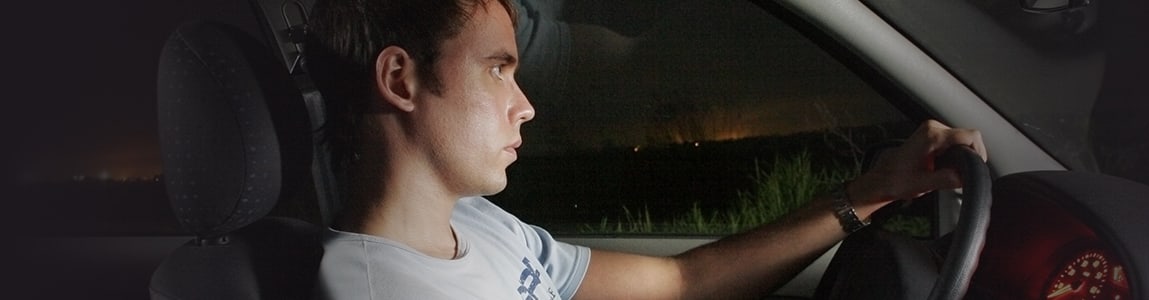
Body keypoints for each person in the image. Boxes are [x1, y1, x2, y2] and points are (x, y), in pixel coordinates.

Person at [305, 0, 986, 299]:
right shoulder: (378, 290)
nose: (526, 104)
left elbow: (681, 283)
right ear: (401, 79)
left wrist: (869, 193)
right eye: (498, 69)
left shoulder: (476, 226)